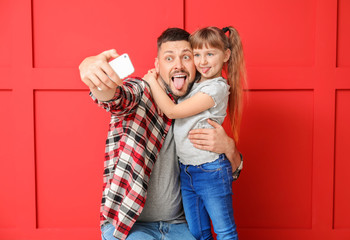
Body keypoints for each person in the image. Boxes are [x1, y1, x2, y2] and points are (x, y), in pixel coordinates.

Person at [78, 28, 243, 240]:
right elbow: (117, 98)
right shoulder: (143, 91)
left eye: (186, 56)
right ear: (157, 65)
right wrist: (94, 75)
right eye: (169, 58)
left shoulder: (201, 100)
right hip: (130, 226)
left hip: (179, 226)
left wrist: (230, 148)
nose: (178, 65)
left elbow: (224, 176)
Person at [143, 26, 246, 240]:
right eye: (197, 55)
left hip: (210, 169)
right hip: (188, 172)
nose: (203, 62)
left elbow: (172, 111)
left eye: (210, 54)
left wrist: (152, 81)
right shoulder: (194, 84)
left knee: (225, 231)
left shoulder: (215, 87)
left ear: (226, 55)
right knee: (198, 232)